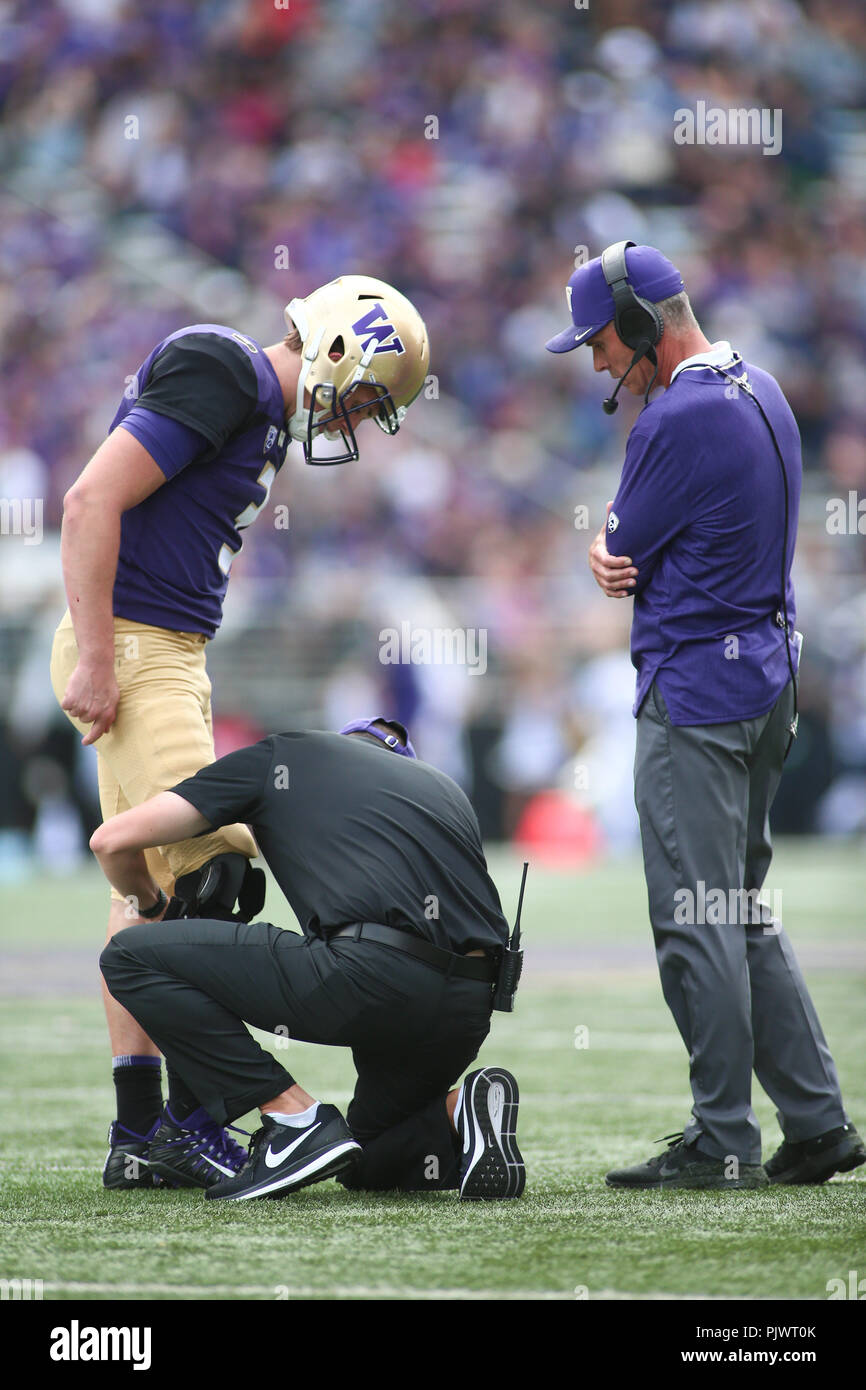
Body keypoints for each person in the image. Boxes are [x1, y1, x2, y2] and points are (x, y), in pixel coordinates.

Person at [49, 275, 431, 1188]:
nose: (363, 416)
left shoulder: (252, 402)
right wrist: (101, 658)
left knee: (146, 888)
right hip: (139, 645)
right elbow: (87, 501)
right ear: (340, 346)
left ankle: (144, 1133)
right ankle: (214, 1119)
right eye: (373, 392)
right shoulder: (227, 370)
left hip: (164, 648)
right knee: (215, 875)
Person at [547, 240, 865, 1190]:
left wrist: (606, 546)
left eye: (603, 342)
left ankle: (722, 1137)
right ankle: (815, 1122)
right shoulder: (761, 386)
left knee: (698, 917)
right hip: (767, 686)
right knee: (743, 912)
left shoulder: (674, 418)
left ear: (643, 326)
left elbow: (620, 540)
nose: (599, 362)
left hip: (696, 698)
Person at [94, 717, 525, 1202]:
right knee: (369, 1157)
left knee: (130, 958)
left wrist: (150, 905)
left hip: (371, 976)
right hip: (469, 1005)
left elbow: (110, 840)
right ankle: (457, 1113)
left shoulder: (287, 754)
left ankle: (292, 1117)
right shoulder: (443, 789)